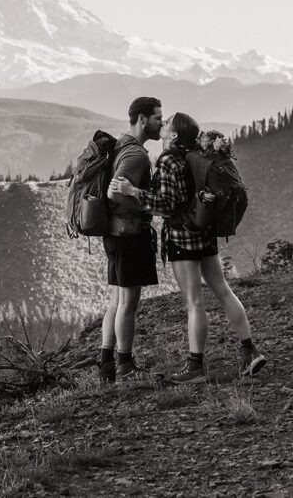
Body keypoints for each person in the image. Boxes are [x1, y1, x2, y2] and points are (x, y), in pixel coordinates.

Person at [110, 112, 266, 383]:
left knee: (194, 302)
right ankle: (249, 350)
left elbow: (168, 205)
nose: (163, 124)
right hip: (205, 235)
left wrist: (134, 192)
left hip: (183, 240)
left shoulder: (170, 161)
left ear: (173, 135)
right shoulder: (198, 156)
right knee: (224, 291)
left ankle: (195, 367)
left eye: (167, 123)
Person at [98, 96, 163, 382]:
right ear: (142, 119)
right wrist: (145, 206)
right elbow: (114, 192)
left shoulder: (122, 144)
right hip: (129, 233)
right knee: (129, 302)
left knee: (117, 299)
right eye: (158, 118)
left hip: (114, 233)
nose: (161, 123)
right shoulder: (136, 155)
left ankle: (106, 362)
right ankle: (125, 364)